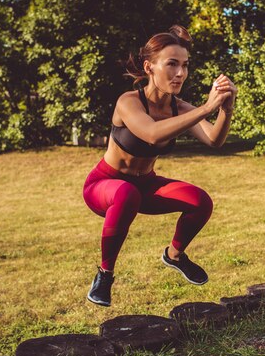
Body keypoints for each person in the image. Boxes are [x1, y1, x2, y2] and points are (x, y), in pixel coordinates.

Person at [82, 25, 237, 307]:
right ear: (149, 67)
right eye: (172, 64)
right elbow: (152, 133)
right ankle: (105, 275)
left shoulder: (180, 108)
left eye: (185, 66)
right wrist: (206, 108)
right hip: (105, 186)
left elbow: (214, 140)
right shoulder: (128, 102)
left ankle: (175, 255)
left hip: (145, 184)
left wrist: (226, 109)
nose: (180, 73)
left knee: (200, 201)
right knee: (125, 193)